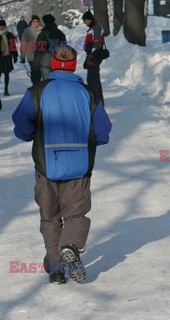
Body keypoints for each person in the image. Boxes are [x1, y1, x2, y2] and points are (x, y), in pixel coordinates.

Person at [12, 45, 112, 284]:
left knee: (50, 216)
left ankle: (56, 267)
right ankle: (70, 245)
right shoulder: (88, 94)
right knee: (75, 214)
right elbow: (103, 131)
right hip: (79, 165)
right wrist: (88, 142)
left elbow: (21, 124)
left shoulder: (37, 91)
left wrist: (30, 133)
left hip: (47, 164)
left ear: (54, 64)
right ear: (75, 64)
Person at [33, 14, 66, 81]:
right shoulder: (60, 33)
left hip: (45, 63)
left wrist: (35, 65)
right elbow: (64, 48)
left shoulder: (43, 34)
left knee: (47, 83)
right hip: (58, 62)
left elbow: (39, 50)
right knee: (57, 82)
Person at [82, 10, 105, 100]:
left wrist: (91, 56)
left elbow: (97, 44)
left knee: (92, 79)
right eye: (84, 20)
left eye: (86, 20)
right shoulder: (92, 28)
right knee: (94, 78)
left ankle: (95, 99)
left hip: (95, 56)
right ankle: (98, 98)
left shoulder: (96, 28)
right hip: (92, 55)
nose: (85, 22)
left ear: (90, 19)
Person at [0, 20, 18, 96]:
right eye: (0, 26)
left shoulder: (10, 35)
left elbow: (13, 46)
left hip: (7, 56)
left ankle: (6, 89)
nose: (2, 27)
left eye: (3, 25)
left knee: (6, 74)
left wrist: (15, 56)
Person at [20, 15, 42, 85]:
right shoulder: (27, 31)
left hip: (42, 55)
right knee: (34, 71)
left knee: (40, 71)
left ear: (39, 22)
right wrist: (23, 57)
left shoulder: (43, 30)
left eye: (37, 21)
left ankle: (38, 86)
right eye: (34, 21)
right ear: (31, 22)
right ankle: (35, 86)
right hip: (31, 55)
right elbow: (23, 44)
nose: (35, 23)